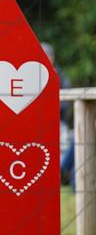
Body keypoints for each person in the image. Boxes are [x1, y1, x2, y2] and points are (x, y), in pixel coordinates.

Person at [42, 42, 75, 187]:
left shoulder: (60, 76)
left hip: (58, 120)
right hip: (37, 122)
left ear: (52, 57)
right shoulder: (31, 75)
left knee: (61, 145)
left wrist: (48, 110)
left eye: (47, 55)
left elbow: (66, 101)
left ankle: (59, 176)